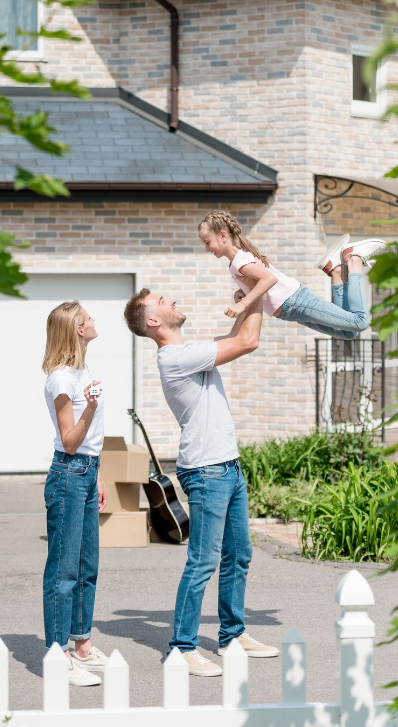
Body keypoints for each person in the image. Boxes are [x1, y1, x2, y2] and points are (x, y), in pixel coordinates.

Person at [124, 287, 278, 676]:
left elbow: (236, 337)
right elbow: (248, 340)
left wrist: (250, 298)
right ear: (154, 321)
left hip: (227, 465)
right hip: (207, 471)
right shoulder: (175, 357)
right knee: (203, 562)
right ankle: (182, 647)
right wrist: (258, 291)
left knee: (239, 555)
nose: (172, 299)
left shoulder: (188, 350)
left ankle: (232, 635)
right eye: (163, 301)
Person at [42, 300, 108, 687]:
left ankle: (81, 643)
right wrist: (91, 406)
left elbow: (89, 442)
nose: (95, 320)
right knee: (64, 570)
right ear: (78, 330)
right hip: (68, 473)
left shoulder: (83, 370)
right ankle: (58, 652)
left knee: (87, 565)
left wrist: (98, 474)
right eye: (89, 318)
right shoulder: (61, 379)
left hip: (86, 471)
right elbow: (69, 441)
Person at [198, 211, 387, 340]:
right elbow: (260, 280)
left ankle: (353, 260)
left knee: (359, 322)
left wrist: (243, 304)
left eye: (207, 242)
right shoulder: (237, 261)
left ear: (223, 235)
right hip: (291, 310)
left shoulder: (240, 260)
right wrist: (243, 292)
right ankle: (335, 270)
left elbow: (269, 279)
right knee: (348, 333)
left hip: (295, 301)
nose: (206, 248)